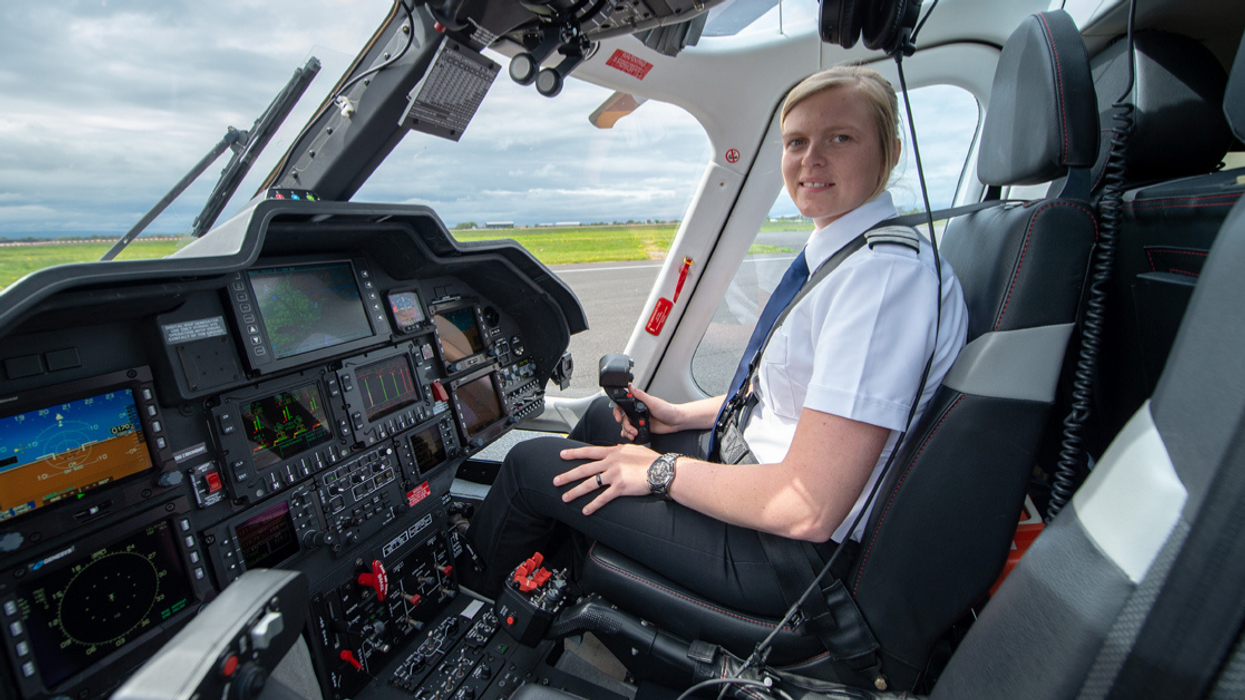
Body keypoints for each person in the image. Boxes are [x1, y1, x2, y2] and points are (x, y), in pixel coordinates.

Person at [465, 65, 969, 616]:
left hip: (784, 552)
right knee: (599, 426)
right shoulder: (846, 257)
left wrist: (660, 470)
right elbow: (789, 402)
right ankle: (549, 590)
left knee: (529, 466)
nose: (810, 159)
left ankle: (474, 617)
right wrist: (678, 419)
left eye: (840, 138)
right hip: (756, 475)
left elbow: (810, 506)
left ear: (891, 152)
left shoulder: (883, 281)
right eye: (796, 141)